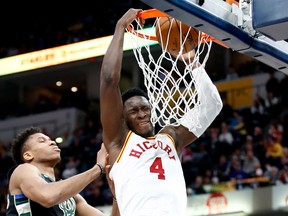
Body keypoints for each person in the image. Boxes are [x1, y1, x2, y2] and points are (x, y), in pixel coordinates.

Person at [100, 8, 223, 216]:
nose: (142, 114)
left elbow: (213, 104)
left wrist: (192, 62)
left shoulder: (171, 137)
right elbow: (109, 81)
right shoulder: (119, 142)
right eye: (133, 111)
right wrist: (120, 27)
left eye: (145, 108)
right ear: (122, 118)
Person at [6, 126, 119, 216]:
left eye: (50, 139)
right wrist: (97, 168)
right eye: (42, 141)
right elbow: (47, 196)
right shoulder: (23, 169)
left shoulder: (72, 196)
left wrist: (116, 195)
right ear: (28, 155)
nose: (53, 142)